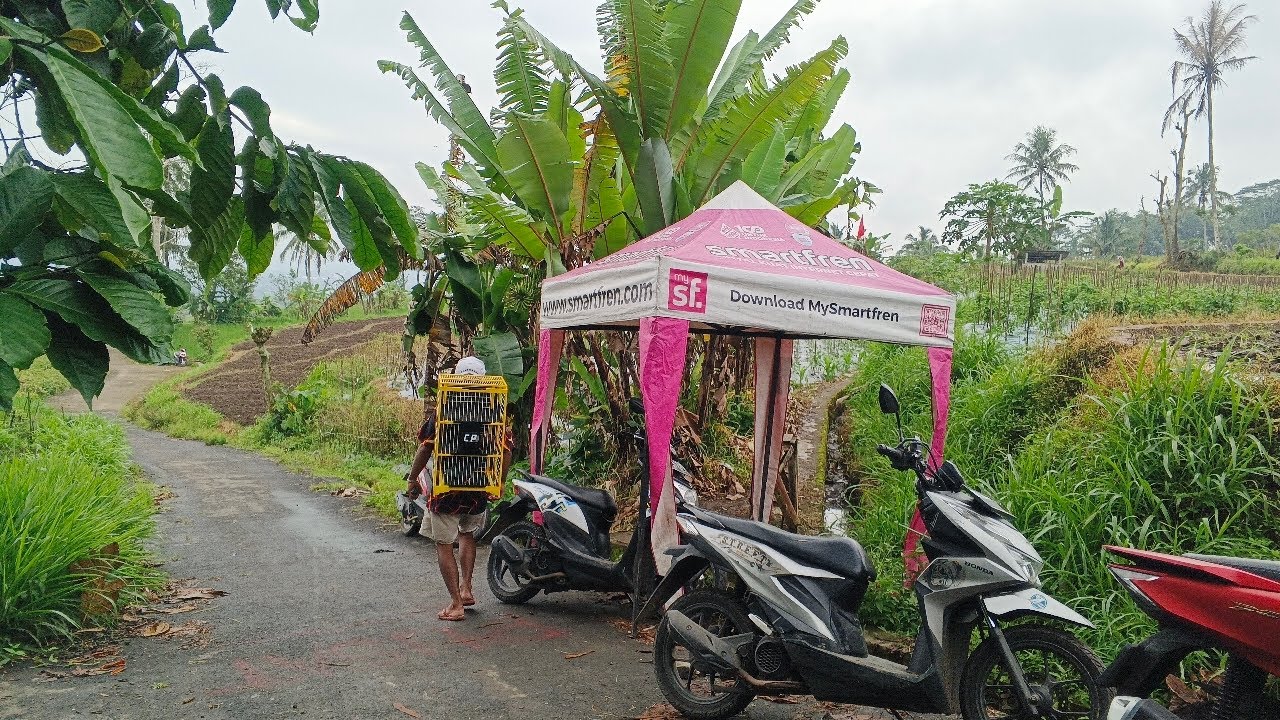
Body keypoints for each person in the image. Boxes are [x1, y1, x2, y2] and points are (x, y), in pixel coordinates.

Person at [405, 356, 494, 621]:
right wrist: (497, 481)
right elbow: (506, 449)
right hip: (478, 485)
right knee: (467, 534)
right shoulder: (492, 411)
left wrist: (412, 478)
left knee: (444, 544)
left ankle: (456, 605)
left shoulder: (445, 410)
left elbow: (425, 447)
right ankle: (466, 589)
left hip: (447, 489)